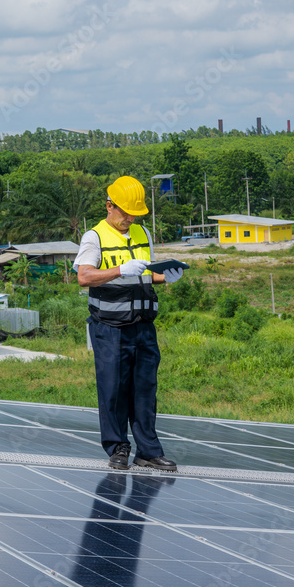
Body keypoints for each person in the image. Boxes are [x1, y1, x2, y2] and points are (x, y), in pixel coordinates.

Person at [74, 175, 185, 472]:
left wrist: (166, 276)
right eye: (124, 212)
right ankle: (117, 448)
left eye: (134, 212)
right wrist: (119, 269)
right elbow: (84, 277)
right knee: (113, 389)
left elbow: (145, 274)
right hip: (110, 327)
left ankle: (148, 451)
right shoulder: (94, 237)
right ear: (109, 206)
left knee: (145, 390)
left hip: (143, 325)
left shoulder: (142, 233)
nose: (129, 218)